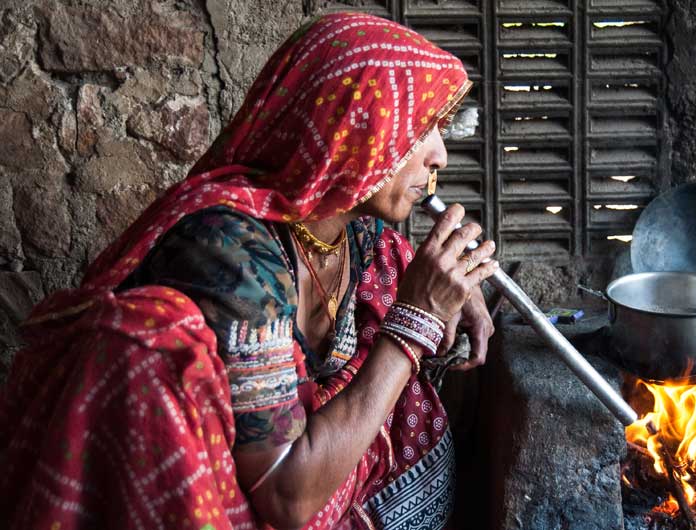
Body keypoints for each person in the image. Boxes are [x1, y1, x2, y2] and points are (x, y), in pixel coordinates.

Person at [0, 12, 498, 529]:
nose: (439, 155)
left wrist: (459, 289)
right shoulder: (230, 253)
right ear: (353, 127)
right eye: (420, 129)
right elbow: (286, 495)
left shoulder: (350, 229)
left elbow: (397, 260)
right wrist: (416, 321)